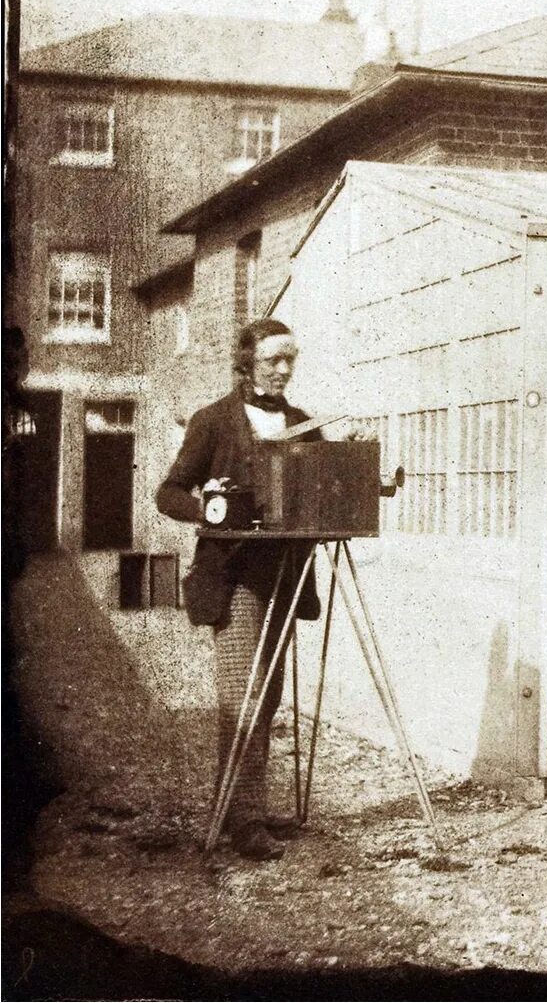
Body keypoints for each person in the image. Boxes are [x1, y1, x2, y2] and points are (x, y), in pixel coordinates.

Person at [156, 318, 322, 861]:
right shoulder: (213, 421)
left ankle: (239, 807)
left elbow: (323, 488)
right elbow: (168, 492)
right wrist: (207, 506)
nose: (283, 368)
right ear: (246, 361)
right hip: (232, 577)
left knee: (268, 695)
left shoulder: (302, 424)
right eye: (273, 358)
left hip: (284, 576)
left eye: (290, 358)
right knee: (241, 696)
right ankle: (245, 821)